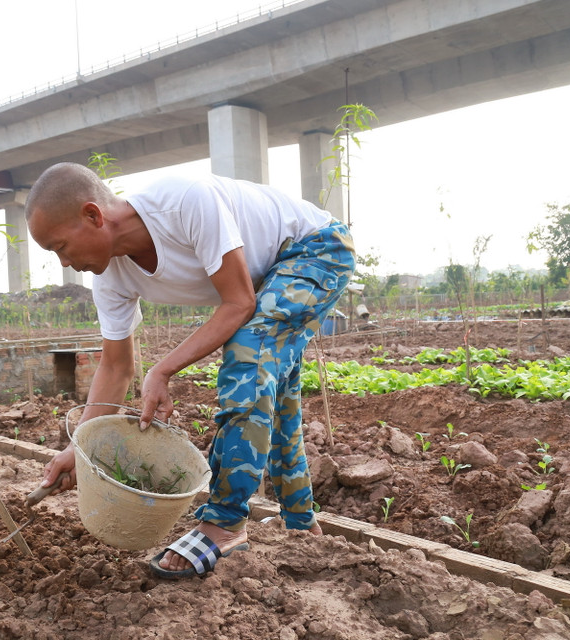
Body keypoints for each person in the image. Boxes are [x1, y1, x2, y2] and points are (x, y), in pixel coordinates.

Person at [25, 162, 355, 578]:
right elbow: (116, 365)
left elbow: (238, 303)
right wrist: (81, 447)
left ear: (93, 215)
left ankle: (224, 523)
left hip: (317, 248)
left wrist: (162, 370)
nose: (65, 263)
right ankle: (301, 522)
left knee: (248, 355)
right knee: (276, 396)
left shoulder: (185, 201)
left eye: (59, 246)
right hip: (269, 278)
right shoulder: (110, 277)